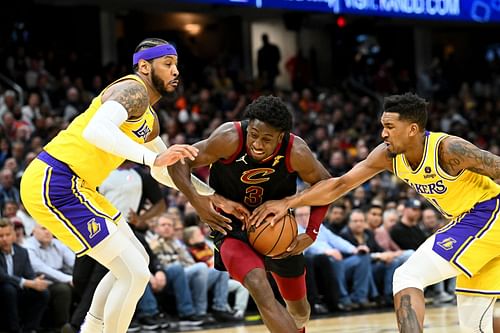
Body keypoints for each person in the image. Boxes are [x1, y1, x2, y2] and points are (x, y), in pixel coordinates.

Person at [19, 38, 229, 333]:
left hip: (80, 186)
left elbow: (164, 171)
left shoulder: (150, 119)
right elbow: (96, 131)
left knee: (137, 264)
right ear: (144, 66)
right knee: (133, 273)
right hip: (55, 179)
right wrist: (150, 157)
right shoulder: (132, 89)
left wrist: (213, 194)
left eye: (177, 65)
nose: (175, 71)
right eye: (168, 64)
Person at [250, 92, 500, 333]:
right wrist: (288, 203)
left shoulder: (449, 149)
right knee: (474, 327)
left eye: (390, 127)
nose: (383, 133)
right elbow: (340, 184)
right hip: (473, 224)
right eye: (383, 126)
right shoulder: (387, 156)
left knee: (407, 276)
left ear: (412, 129)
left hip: (488, 213)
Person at [167, 95, 331, 333]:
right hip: (231, 228)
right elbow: (177, 162)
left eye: (267, 139)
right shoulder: (229, 138)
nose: (257, 144)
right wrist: (200, 201)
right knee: (260, 288)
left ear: (281, 136)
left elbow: (326, 185)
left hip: (277, 229)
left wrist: (312, 231)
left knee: (300, 311)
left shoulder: (296, 151)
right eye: (254, 135)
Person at [0, 218, 50, 333]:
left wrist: (36, 280)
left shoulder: (22, 252)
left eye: (7, 234)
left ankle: (31, 328)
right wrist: (28, 283)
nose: (4, 239)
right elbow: (2, 276)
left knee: (43, 292)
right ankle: (14, 329)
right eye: (1, 236)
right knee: (8, 289)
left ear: (14, 235)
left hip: (17, 290)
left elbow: (29, 274)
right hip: (3, 291)